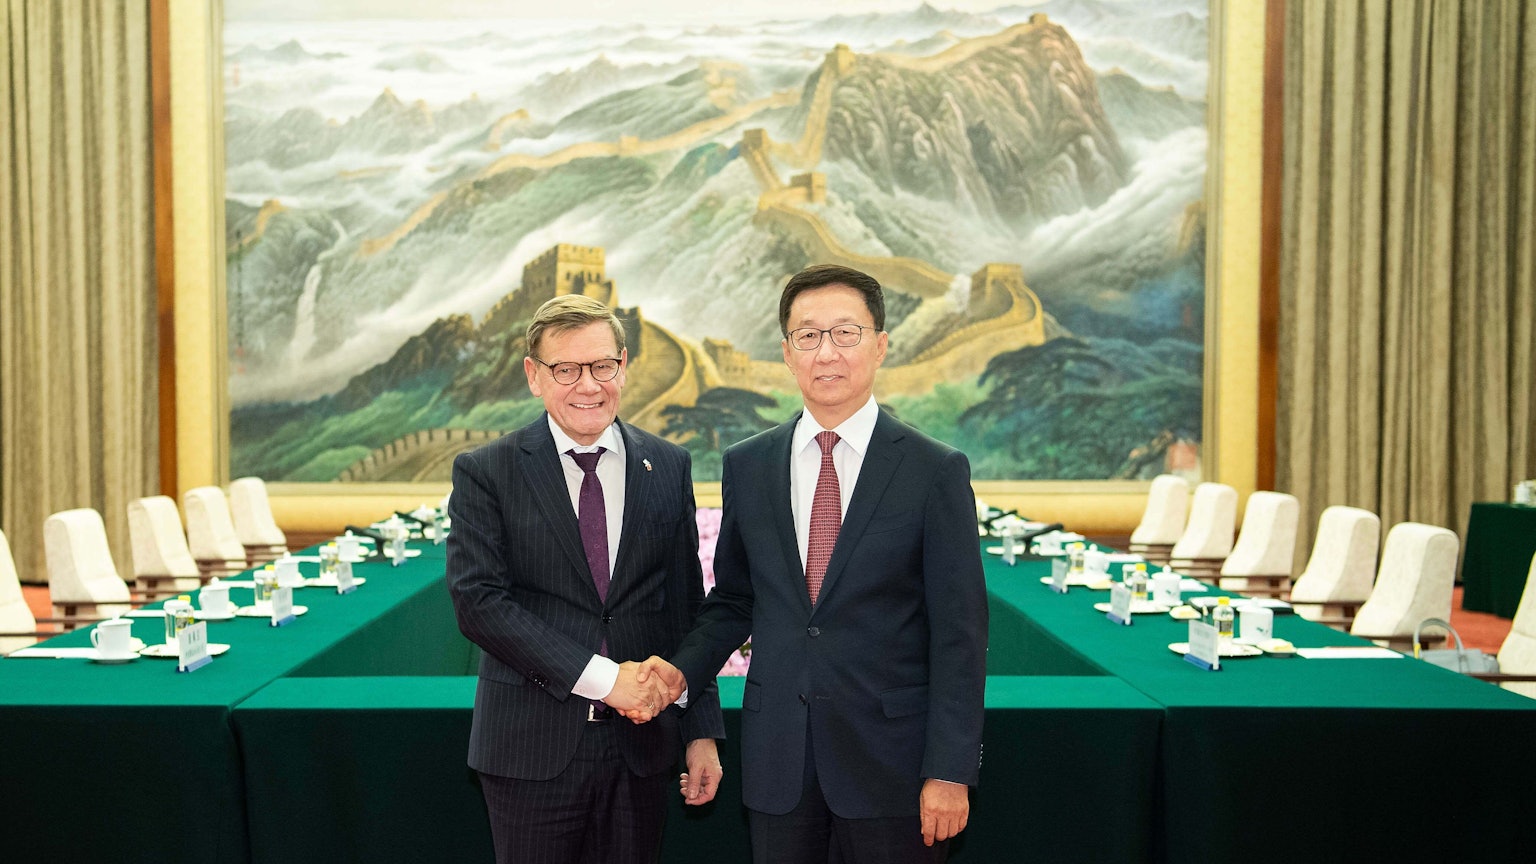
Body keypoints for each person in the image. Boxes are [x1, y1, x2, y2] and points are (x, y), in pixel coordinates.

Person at [645, 264, 989, 863]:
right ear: (786, 352)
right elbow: (733, 601)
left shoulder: (934, 471)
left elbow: (960, 635)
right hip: (780, 761)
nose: (826, 352)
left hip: (894, 767)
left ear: (880, 346)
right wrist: (678, 674)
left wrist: (951, 770)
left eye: (845, 333)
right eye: (808, 335)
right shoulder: (748, 465)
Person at [446, 294, 725, 864]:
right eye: (565, 370)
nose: (588, 385)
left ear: (623, 364)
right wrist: (603, 679)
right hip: (530, 747)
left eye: (602, 366)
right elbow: (478, 603)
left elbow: (685, 609)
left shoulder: (667, 465)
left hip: (643, 750)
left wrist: (700, 731)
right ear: (533, 376)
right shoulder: (487, 471)